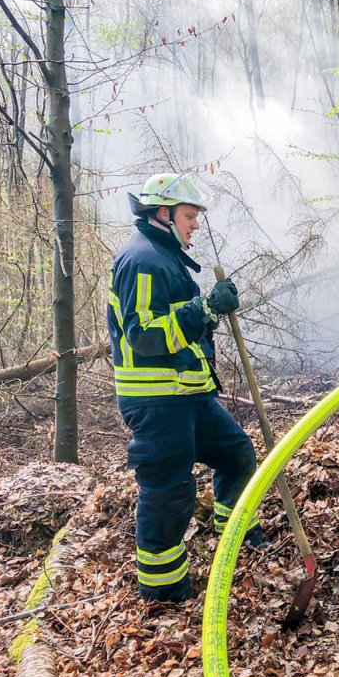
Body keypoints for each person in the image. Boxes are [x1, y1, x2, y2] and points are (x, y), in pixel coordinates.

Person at [107, 172, 264, 603]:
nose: (195, 224)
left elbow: (182, 329)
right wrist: (206, 307)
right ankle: (163, 588)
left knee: (236, 454)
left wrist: (206, 312)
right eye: (190, 215)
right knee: (168, 490)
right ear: (164, 214)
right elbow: (144, 335)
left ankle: (234, 536)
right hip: (158, 401)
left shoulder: (167, 257)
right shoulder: (143, 259)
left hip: (189, 395)